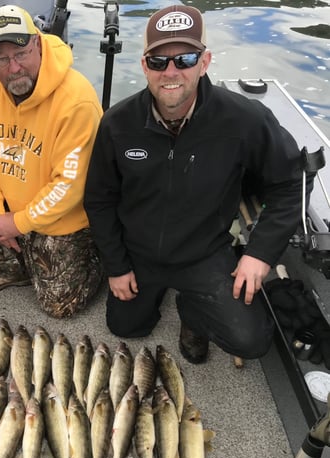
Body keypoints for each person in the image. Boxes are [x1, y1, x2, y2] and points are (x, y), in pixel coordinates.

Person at [84, 5, 305, 363]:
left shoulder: (246, 119)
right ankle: (152, 294)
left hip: (204, 252)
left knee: (251, 341)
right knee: (124, 327)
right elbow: (99, 199)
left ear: (205, 62)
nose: (171, 72)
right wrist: (116, 266)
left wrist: (260, 253)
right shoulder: (116, 124)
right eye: (158, 61)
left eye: (184, 59)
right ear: (144, 66)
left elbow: (288, 185)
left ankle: (193, 312)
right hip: (138, 252)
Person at [0, 4, 104, 319]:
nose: (13, 68)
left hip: (62, 217)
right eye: (1, 59)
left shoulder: (77, 100)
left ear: (38, 44)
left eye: (20, 54)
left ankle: (92, 257)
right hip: (9, 209)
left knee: (59, 306)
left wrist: (19, 223)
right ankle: (16, 264)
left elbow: (69, 185)